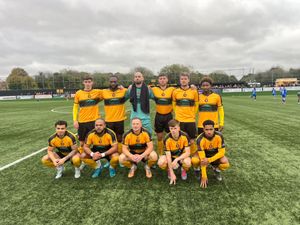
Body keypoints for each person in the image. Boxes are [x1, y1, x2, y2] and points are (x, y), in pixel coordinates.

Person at [192, 120, 230, 188]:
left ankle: (216, 169)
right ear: (203, 129)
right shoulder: (200, 139)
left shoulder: (219, 136)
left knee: (225, 163)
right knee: (194, 160)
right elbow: (203, 159)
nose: (209, 132)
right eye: (206, 129)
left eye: (211, 129)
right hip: (204, 156)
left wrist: (209, 160)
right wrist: (204, 175)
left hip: (214, 155)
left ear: (214, 128)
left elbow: (222, 152)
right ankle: (197, 169)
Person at [73, 76, 102, 154]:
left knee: (96, 141)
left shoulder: (98, 92)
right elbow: (75, 107)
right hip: (82, 121)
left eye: (89, 82)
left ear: (92, 82)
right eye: (86, 82)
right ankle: (83, 159)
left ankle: (96, 158)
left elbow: (109, 92)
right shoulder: (78, 93)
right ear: (83, 83)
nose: (87, 84)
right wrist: (75, 120)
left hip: (95, 121)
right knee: (82, 142)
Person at [157, 119, 191, 184]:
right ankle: (169, 170)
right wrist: (172, 173)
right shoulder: (167, 139)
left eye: (175, 128)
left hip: (181, 157)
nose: (173, 130)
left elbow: (188, 152)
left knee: (188, 162)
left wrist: (177, 159)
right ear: (169, 129)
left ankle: (183, 169)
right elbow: (168, 156)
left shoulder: (185, 136)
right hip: (171, 157)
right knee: (161, 162)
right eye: (171, 128)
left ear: (179, 128)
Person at [172, 72, 198, 155]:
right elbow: (174, 104)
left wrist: (193, 113)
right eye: (182, 79)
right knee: (180, 138)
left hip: (190, 119)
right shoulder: (176, 92)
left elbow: (196, 104)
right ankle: (182, 156)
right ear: (180, 80)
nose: (183, 80)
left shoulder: (194, 91)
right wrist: (177, 114)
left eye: (185, 79)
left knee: (192, 139)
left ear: (188, 80)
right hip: (179, 120)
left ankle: (193, 156)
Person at [102, 75, 128, 154]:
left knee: (119, 138)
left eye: (114, 82)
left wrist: (123, 88)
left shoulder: (123, 91)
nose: (113, 83)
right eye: (111, 82)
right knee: (110, 139)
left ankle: (120, 153)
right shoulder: (104, 92)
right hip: (109, 120)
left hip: (119, 119)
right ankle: (112, 155)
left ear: (117, 82)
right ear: (109, 82)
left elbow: (131, 90)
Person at [151, 74, 175, 155]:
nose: (162, 80)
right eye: (160, 78)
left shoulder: (172, 89)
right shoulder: (154, 89)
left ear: (167, 80)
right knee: (159, 136)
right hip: (159, 116)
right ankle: (160, 153)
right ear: (158, 80)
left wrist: (192, 87)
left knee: (171, 135)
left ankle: (171, 151)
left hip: (169, 116)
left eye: (164, 78)